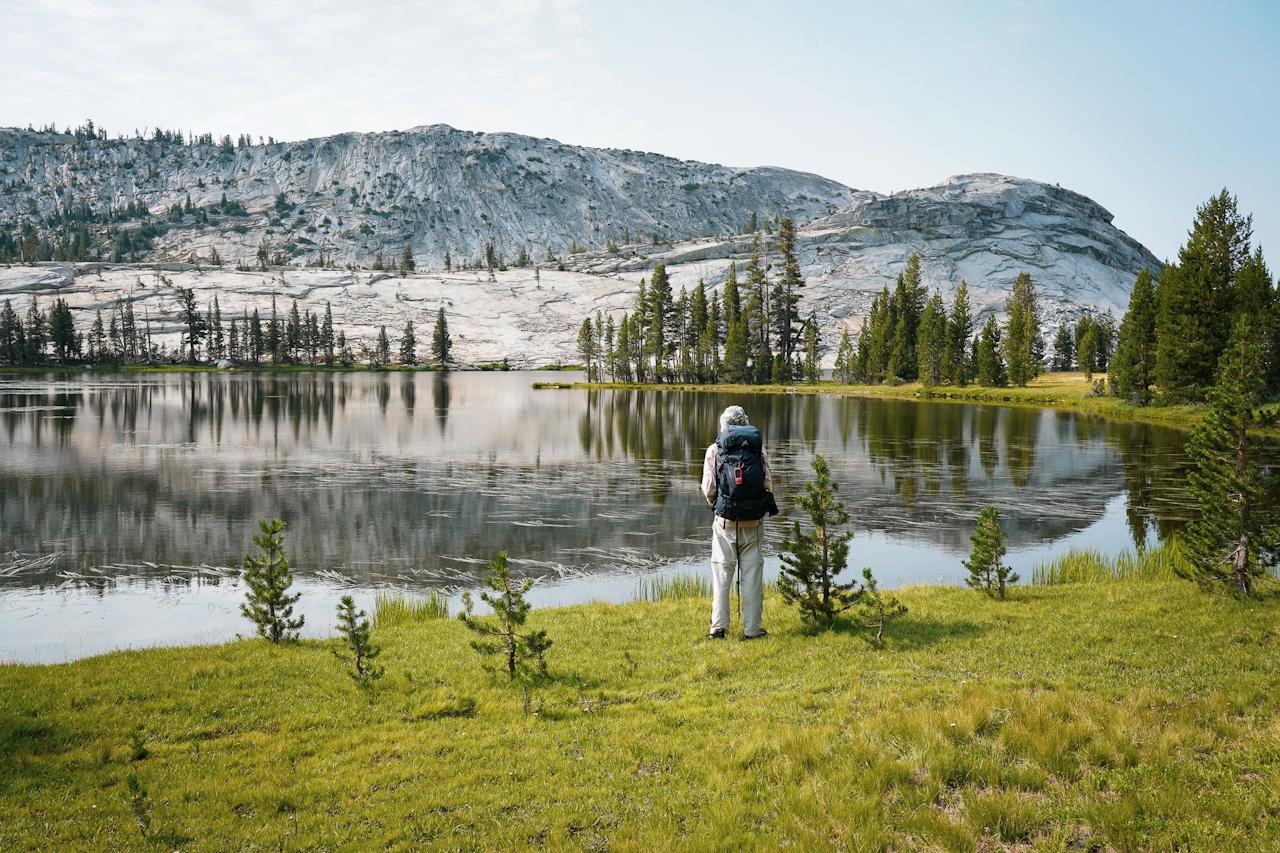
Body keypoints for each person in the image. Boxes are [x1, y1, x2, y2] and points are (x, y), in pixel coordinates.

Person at [701, 405, 777, 640]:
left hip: (725, 523)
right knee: (752, 575)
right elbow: (767, 485)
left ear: (723, 424)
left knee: (722, 574)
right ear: (745, 422)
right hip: (753, 523)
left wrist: (718, 507)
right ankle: (753, 630)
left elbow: (708, 489)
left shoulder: (715, 450)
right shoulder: (758, 450)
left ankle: (718, 629)